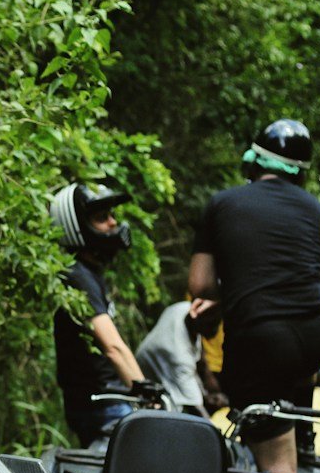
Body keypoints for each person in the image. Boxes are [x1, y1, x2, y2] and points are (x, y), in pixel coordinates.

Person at [188, 119, 320, 473]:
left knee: (277, 469)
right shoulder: (314, 209)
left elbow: (200, 286)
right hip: (319, 336)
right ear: (300, 174)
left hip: (262, 341)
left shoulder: (223, 203)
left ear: (252, 162)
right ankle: (303, 439)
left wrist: (234, 292)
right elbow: (294, 276)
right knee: (292, 363)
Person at [49, 181, 149, 444]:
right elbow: (113, 347)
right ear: (77, 227)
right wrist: (146, 393)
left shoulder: (88, 273)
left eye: (112, 216)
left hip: (107, 404)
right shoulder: (77, 275)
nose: (113, 223)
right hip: (103, 407)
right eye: (101, 218)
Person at [135, 299, 223, 416]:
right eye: (211, 323)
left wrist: (208, 392)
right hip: (144, 374)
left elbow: (199, 356)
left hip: (152, 354)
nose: (215, 329)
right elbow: (195, 407)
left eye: (217, 323)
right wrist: (214, 432)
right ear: (196, 317)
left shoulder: (183, 308)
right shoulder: (180, 355)